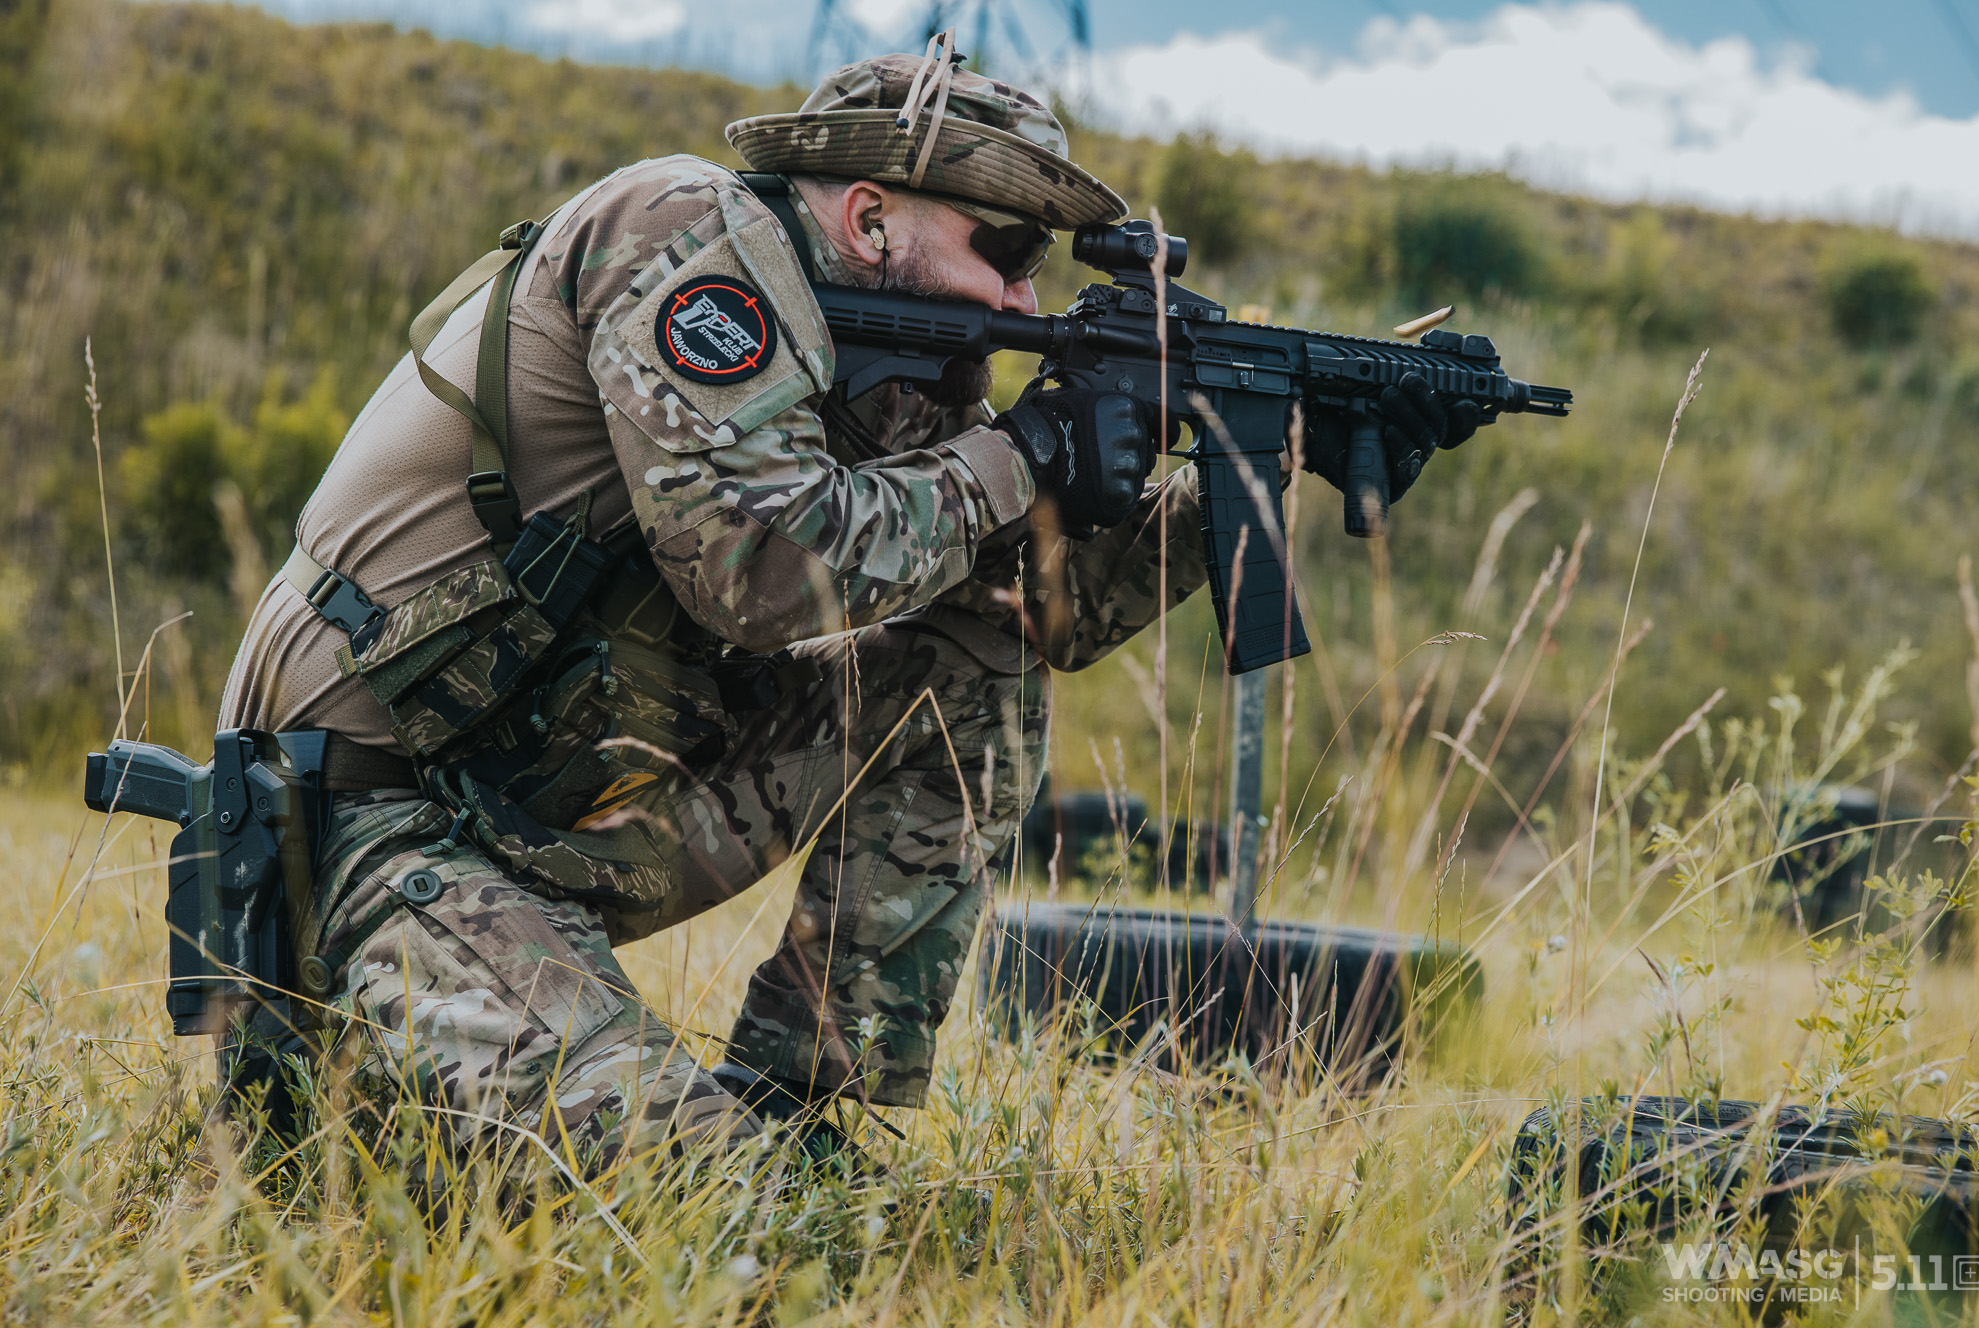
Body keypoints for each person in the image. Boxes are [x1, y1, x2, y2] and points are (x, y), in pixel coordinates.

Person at [216, 42, 1478, 1171]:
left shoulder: (909, 363)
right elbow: (760, 576)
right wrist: (1025, 454)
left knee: (963, 665)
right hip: (367, 820)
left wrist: (1243, 469)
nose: (1023, 305)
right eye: (1007, 255)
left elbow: (1035, 620)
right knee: (711, 1217)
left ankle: (805, 1109)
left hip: (553, 807)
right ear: (871, 218)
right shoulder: (682, 239)